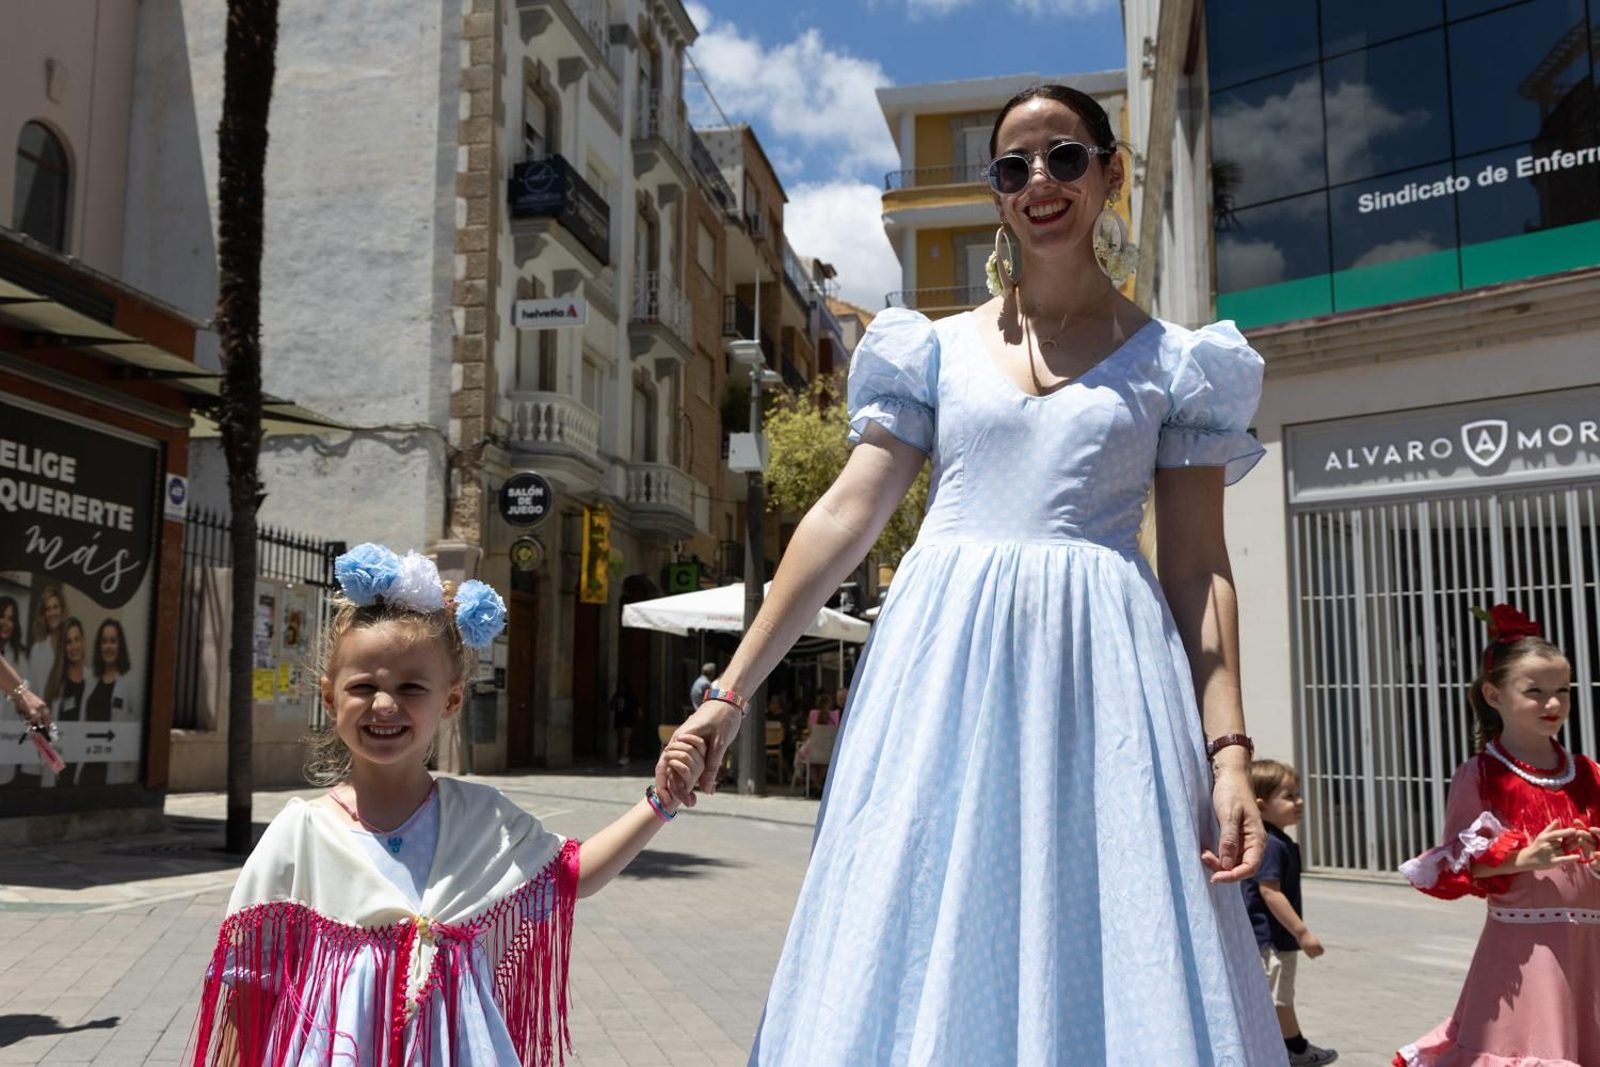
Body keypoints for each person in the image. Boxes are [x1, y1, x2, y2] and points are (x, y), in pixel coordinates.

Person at [659, 84, 1281, 1063]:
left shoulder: (1175, 363)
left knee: (1103, 920)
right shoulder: (930, 347)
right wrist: (729, 693)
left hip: (1104, 685)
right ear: (995, 192)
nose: (1039, 181)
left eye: (1065, 158)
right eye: (1012, 166)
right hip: (942, 675)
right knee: (920, 916)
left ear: (1110, 173)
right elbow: (843, 515)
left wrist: (1230, 751)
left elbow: (1200, 569)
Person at [189, 543, 706, 1066]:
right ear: (330, 699)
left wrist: (659, 801)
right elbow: (249, 989)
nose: (384, 705)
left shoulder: (480, 817)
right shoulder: (299, 833)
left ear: (451, 699)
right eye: (363, 686)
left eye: (411, 687)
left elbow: (573, 874)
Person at [1393, 604, 1599, 1067]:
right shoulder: (1481, 775)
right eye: (1535, 691)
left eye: (1562, 691)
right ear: (1493, 694)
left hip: (1591, 945)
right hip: (1525, 951)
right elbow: (1457, 864)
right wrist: (1524, 858)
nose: (1553, 704)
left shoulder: (1588, 772)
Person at [1242, 760, 1336, 1065]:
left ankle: (1293, 1048)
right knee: (1274, 999)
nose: (1299, 802)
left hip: (1274, 939)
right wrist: (1302, 932)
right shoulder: (1272, 845)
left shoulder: (1277, 841)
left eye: (1298, 794)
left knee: (1280, 999)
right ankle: (1279, 1051)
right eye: (1289, 796)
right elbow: (1270, 892)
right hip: (1272, 940)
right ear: (1261, 805)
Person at [610, 679, 638, 767]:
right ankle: (621, 755)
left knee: (625, 739)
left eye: (623, 687)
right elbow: (611, 706)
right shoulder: (616, 696)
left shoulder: (631, 696)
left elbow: (636, 707)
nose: (622, 689)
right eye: (620, 687)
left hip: (628, 720)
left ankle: (624, 756)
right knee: (620, 738)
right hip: (619, 719)